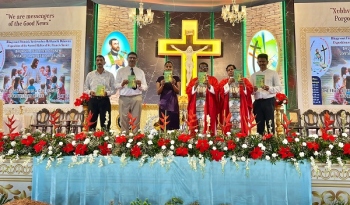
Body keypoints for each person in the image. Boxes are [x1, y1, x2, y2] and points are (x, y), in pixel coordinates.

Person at [115, 52, 148, 134]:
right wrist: (122, 84)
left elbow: (145, 87)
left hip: (136, 97)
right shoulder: (121, 71)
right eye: (130, 57)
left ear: (137, 59)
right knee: (123, 119)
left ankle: (136, 139)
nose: (132, 59)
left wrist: (140, 85)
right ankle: (123, 139)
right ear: (127, 59)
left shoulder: (140, 72)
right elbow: (115, 85)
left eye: (134, 58)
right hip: (124, 97)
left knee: (136, 119)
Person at [250, 53, 282, 135]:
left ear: (267, 62)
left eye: (263, 61)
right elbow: (251, 91)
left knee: (270, 123)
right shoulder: (253, 75)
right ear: (257, 63)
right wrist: (254, 90)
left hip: (269, 101)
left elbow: (279, 88)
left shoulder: (273, 73)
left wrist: (269, 88)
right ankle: (260, 144)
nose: (261, 63)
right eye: (260, 61)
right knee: (259, 124)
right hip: (257, 102)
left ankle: (271, 143)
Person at [83, 55, 116, 130]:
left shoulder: (110, 75)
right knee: (91, 122)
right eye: (97, 60)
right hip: (93, 101)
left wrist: (107, 93)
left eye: (101, 60)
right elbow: (85, 88)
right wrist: (90, 92)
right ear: (95, 62)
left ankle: (105, 139)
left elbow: (114, 90)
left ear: (104, 62)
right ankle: (91, 139)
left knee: (105, 123)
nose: (99, 62)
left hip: (104, 101)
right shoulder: (90, 75)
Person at [219, 64, 253, 135]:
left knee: (241, 121)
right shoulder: (224, 81)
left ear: (235, 70)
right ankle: (229, 138)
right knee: (229, 121)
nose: (230, 71)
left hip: (241, 106)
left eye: (232, 69)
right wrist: (228, 84)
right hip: (229, 107)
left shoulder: (243, 80)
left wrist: (244, 86)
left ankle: (242, 136)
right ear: (227, 72)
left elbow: (250, 90)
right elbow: (221, 92)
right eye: (228, 70)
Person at [186, 62, 219, 135]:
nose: (203, 69)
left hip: (209, 106)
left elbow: (217, 90)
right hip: (196, 106)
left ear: (207, 69)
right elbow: (188, 91)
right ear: (199, 69)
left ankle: (210, 140)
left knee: (208, 123)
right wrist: (195, 86)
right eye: (201, 68)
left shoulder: (213, 80)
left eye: (205, 68)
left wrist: (209, 85)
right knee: (195, 124)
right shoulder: (194, 80)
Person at [156, 61, 181, 130]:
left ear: (172, 68)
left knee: (173, 120)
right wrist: (162, 85)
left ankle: (173, 138)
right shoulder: (160, 78)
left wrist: (173, 84)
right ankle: (163, 138)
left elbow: (178, 91)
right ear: (164, 68)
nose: (168, 68)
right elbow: (158, 92)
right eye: (166, 66)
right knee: (163, 120)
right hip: (163, 102)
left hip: (173, 103)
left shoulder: (176, 78)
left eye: (170, 66)